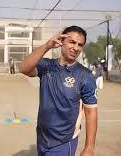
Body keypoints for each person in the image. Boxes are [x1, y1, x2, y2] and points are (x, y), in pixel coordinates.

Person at [19, 26, 98, 156]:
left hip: (63, 143)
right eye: (72, 42)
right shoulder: (46, 66)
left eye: (80, 44)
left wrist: (89, 148)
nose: (76, 48)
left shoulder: (85, 75)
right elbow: (23, 68)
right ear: (62, 41)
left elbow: (91, 113)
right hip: (42, 138)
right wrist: (47, 46)